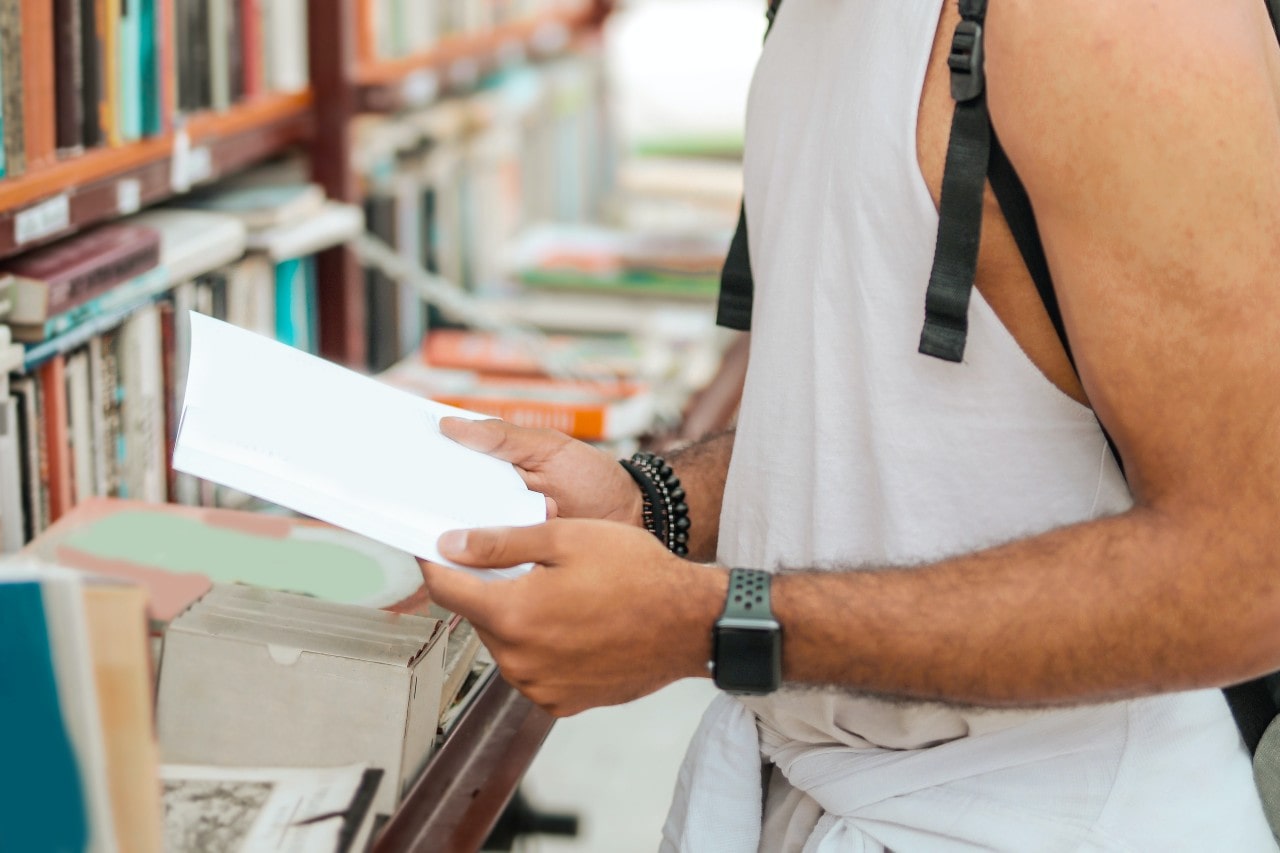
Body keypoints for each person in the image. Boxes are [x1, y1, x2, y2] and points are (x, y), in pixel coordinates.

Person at [420, 0, 1280, 848]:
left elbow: (1253, 569)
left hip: (1053, 815)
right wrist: (652, 504)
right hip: (806, 790)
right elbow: (865, 421)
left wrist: (716, 624)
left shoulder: (1120, 22)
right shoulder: (809, 17)